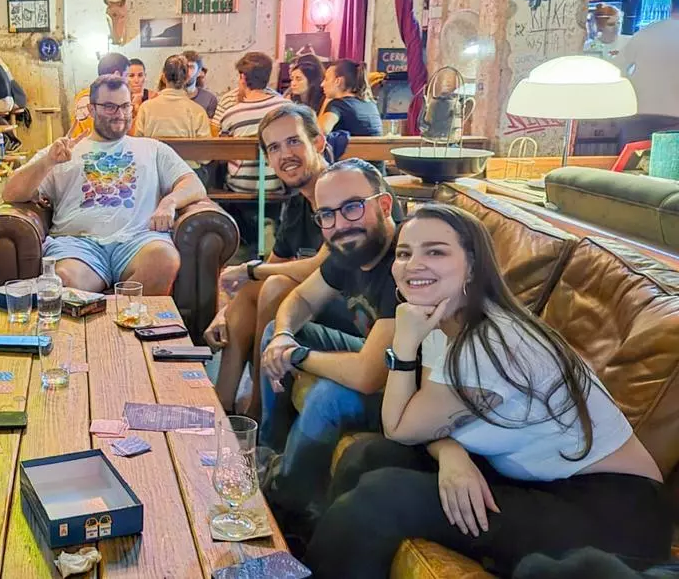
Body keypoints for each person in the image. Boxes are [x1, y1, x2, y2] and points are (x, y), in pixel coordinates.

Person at [304, 204, 670, 578]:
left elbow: (400, 427)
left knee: (383, 497)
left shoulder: (494, 345)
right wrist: (451, 453)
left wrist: (405, 344)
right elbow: (420, 416)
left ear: (473, 266)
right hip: (535, 478)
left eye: (435, 252)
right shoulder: (443, 320)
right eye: (404, 253)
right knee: (368, 455)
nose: (413, 265)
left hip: (611, 512)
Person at [257, 158, 399, 537]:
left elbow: (369, 376)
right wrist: (284, 336)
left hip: (416, 388)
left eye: (352, 207)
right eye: (327, 215)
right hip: (376, 353)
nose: (340, 224)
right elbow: (301, 299)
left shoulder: (406, 263)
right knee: (276, 331)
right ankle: (269, 451)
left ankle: (288, 505)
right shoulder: (349, 250)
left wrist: (298, 355)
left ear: (384, 205)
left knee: (328, 397)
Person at [2, 74, 207, 295]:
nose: (119, 114)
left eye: (125, 106)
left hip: (139, 240)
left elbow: (194, 184)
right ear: (91, 109)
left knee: (165, 259)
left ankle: (122, 313)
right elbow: (11, 194)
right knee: (63, 280)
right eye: (110, 107)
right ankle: (112, 313)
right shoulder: (64, 151)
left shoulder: (152, 148)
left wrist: (169, 202)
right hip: (78, 245)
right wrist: (47, 162)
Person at [204, 104, 333, 415]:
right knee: (254, 288)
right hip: (317, 301)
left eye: (294, 141)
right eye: (274, 148)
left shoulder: (341, 189)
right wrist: (225, 312)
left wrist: (250, 269)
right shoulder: (298, 203)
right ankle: (221, 407)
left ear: (318, 142)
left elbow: (325, 267)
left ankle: (258, 410)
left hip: (354, 309)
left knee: (273, 285)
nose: (285, 155)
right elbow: (272, 266)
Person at [220, 52, 291, 194]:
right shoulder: (287, 107)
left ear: (243, 78)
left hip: (240, 186)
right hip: (277, 182)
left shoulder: (231, 114)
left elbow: (223, 154)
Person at [132, 54, 213, 179]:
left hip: (155, 174)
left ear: (164, 77)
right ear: (186, 78)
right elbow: (205, 157)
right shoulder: (197, 111)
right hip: (188, 174)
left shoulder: (146, 108)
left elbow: (138, 147)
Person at [614, 0, 679, 142]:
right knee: (669, 156)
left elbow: (617, 68)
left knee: (632, 155)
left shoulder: (647, 32)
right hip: (675, 117)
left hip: (638, 112)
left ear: (671, 6)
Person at [68, 52, 131, 139]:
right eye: (127, 75)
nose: (129, 80)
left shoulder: (85, 94)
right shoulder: (95, 99)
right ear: (116, 75)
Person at [320, 59, 382, 137]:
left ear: (338, 81)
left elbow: (320, 132)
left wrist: (326, 101)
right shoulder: (370, 104)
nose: (322, 84)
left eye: (326, 79)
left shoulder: (338, 105)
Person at [181, 50, 220, 119]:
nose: (186, 71)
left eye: (191, 67)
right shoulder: (168, 97)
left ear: (199, 72)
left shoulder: (209, 99)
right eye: (184, 66)